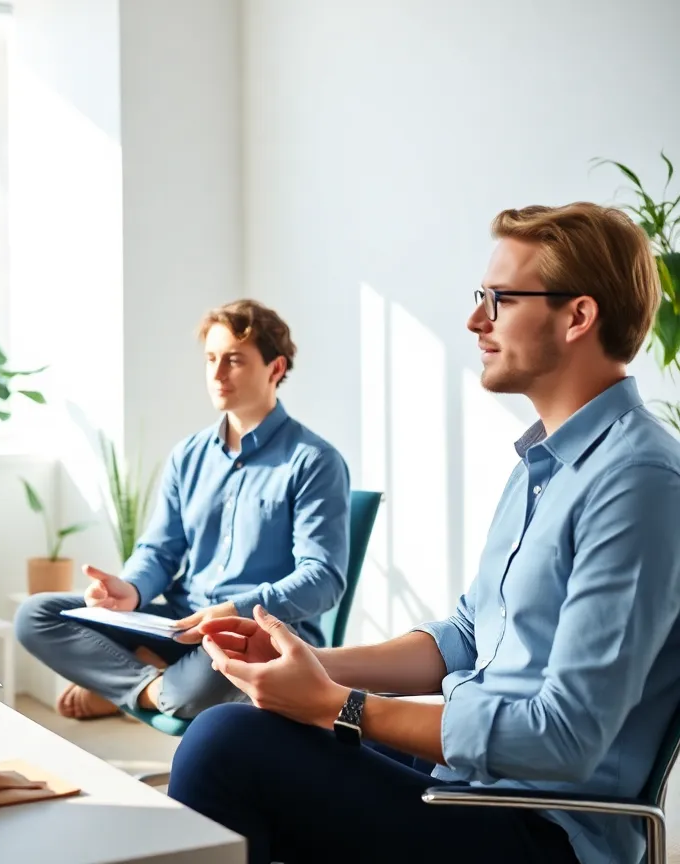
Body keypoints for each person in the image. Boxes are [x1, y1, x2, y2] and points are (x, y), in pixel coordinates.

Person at [169, 203, 680, 864]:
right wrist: (309, 662)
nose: (475, 321)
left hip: (539, 829)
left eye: (499, 299)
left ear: (577, 316)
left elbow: (564, 739)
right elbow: (467, 635)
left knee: (224, 747)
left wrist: (341, 705)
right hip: (472, 780)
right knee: (248, 725)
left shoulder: (638, 481)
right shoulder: (543, 464)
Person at [15, 299, 350, 721]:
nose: (217, 373)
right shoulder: (188, 455)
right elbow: (160, 550)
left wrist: (235, 610)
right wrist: (131, 589)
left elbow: (322, 580)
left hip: (251, 635)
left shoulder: (314, 461)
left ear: (275, 368)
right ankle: (152, 687)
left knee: (207, 679)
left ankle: (132, 687)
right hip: (180, 622)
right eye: (211, 359)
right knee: (36, 615)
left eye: (234, 360)